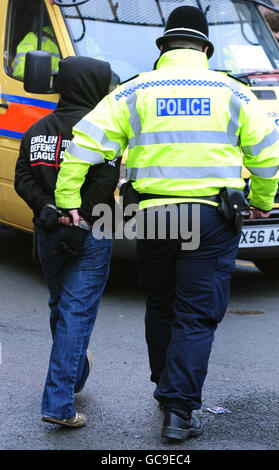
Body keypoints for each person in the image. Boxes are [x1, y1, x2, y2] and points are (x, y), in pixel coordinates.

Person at [54, 6, 279, 440]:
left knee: (160, 303)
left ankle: (165, 387)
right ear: (206, 47)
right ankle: (178, 411)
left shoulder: (132, 91)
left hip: (154, 215)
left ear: (163, 46)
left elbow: (83, 144)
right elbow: (268, 155)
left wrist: (68, 199)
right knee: (196, 313)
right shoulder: (233, 92)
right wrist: (260, 200)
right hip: (211, 217)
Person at [14, 56, 121, 428]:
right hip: (91, 231)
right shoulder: (101, 131)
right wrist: (82, 217)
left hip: (47, 231)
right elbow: (105, 182)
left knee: (61, 305)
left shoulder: (37, 129)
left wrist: (47, 208)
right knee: (75, 312)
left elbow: (23, 176)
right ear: (93, 87)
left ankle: (73, 374)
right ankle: (59, 404)